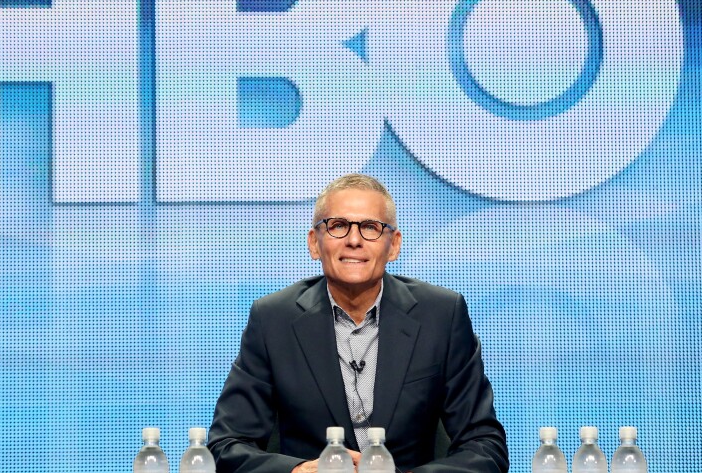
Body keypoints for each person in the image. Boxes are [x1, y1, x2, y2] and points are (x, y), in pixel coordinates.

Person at [208, 174, 508, 473]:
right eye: (338, 226)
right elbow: (226, 445)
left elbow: (485, 447)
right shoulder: (273, 319)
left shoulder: (441, 316)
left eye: (370, 227)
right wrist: (298, 471)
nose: (354, 240)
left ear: (394, 245)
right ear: (314, 243)